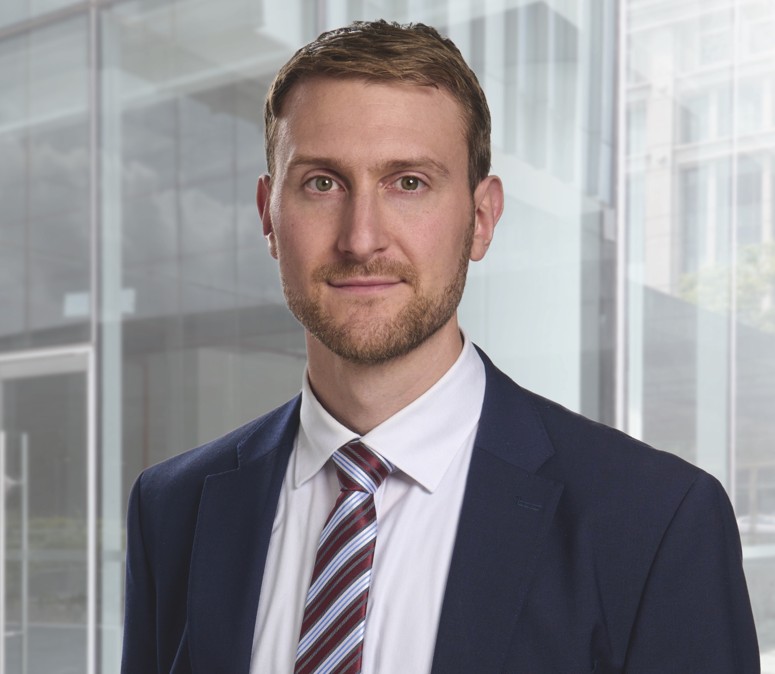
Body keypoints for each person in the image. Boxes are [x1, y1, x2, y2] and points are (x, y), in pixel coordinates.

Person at [121, 20, 759, 674]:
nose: (361, 238)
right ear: (267, 215)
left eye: (408, 183)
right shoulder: (172, 509)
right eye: (322, 183)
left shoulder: (654, 521)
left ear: (480, 218)